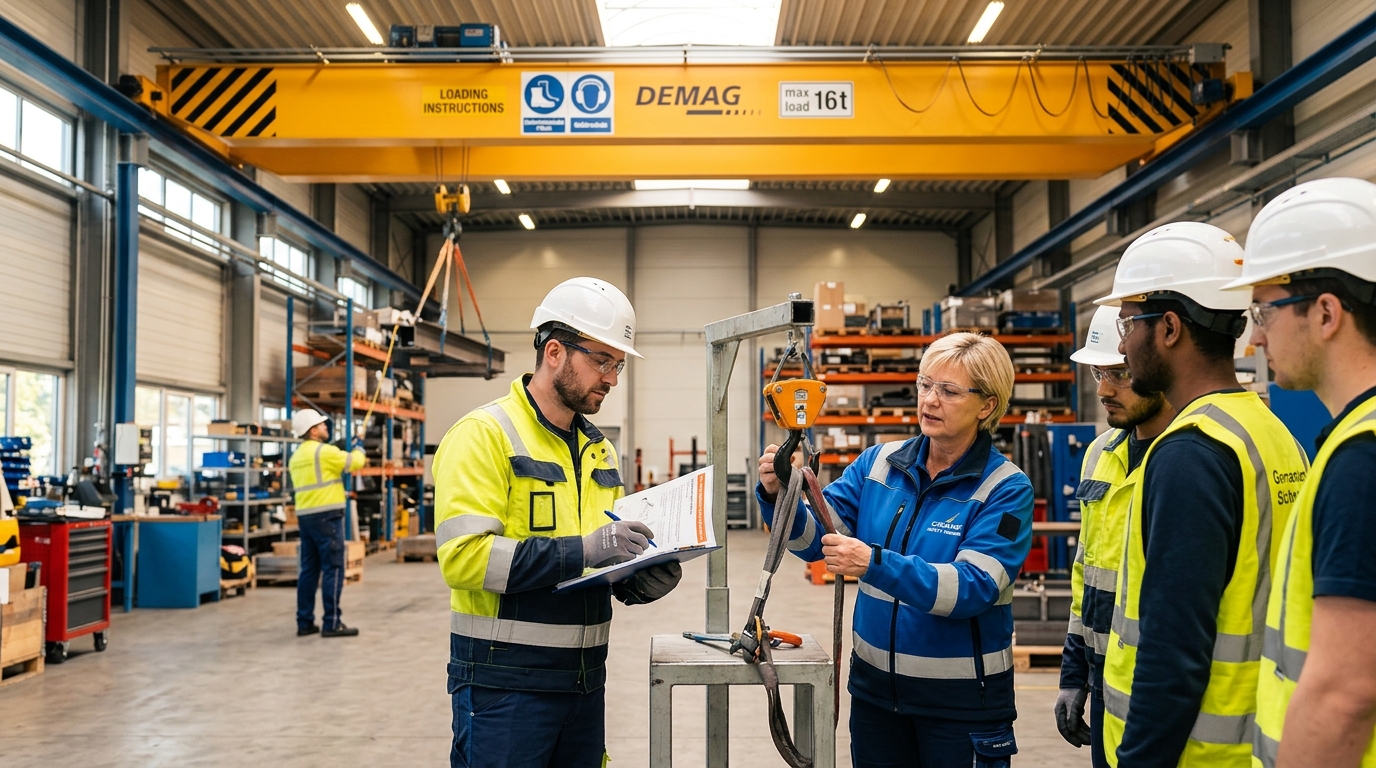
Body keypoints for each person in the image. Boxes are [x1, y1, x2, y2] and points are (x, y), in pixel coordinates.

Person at [433, 277, 683, 768]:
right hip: (503, 687)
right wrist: (584, 550)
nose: (613, 378)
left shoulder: (599, 449)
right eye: (603, 361)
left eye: (619, 365)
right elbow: (464, 560)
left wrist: (636, 578)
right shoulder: (484, 436)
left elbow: (600, 560)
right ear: (554, 352)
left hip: (584, 682)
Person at [758, 332, 1033, 768]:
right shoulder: (877, 465)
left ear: (987, 405)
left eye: (949, 390)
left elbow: (972, 587)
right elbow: (814, 542)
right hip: (875, 698)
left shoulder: (1005, 489)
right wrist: (779, 494)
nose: (930, 400)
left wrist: (873, 562)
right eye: (925, 385)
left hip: (960, 707)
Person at [1095, 221, 1309, 767]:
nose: (1121, 343)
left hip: (1194, 753)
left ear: (1168, 327)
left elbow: (1174, 652)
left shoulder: (1189, 453)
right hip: (1252, 740)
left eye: (1126, 323)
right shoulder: (1269, 432)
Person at [1221, 177, 1376, 768]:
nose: (1256, 335)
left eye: (1264, 310)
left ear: (1327, 313)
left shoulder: (1361, 460)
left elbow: (1343, 697)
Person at [1055, 306, 1175, 768]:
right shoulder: (1100, 453)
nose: (1104, 389)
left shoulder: (1193, 456)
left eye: (1120, 372)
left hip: (1160, 679)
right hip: (1105, 673)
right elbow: (1088, 572)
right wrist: (1074, 673)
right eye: (1099, 372)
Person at [288, 408, 367, 638]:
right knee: (333, 567)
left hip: (305, 517)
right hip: (328, 517)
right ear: (313, 431)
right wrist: (359, 446)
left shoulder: (296, 457)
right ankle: (331, 622)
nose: (326, 428)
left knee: (309, 570)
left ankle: (305, 622)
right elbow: (355, 463)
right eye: (322, 425)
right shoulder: (324, 452)